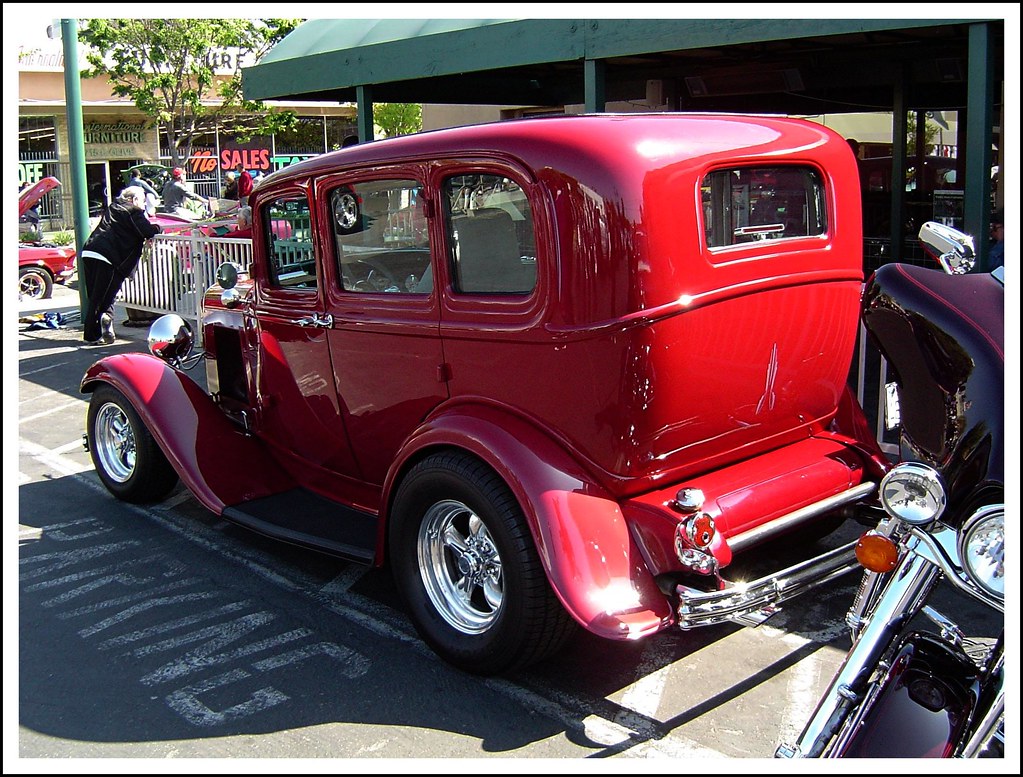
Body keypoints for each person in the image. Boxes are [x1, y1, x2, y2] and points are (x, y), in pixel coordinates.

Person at [79, 186, 162, 346]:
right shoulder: (133, 211)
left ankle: (105, 325)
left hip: (90, 250)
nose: (144, 205)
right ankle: (94, 333)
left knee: (97, 294)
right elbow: (146, 230)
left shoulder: (114, 207)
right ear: (135, 199)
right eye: (143, 201)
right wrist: (158, 228)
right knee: (103, 296)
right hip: (108, 256)